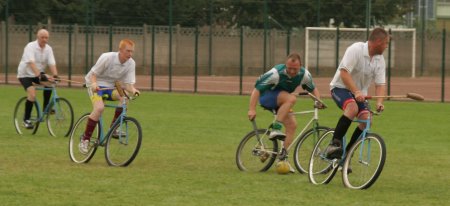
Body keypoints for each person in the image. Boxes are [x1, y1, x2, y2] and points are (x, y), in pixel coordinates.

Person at [248, 52, 323, 173]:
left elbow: (313, 89)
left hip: (282, 101)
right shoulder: (276, 73)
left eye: (295, 69)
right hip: (267, 97)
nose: (292, 71)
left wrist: (318, 101)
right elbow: (257, 89)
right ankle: (276, 128)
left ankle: (283, 158)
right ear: (285, 65)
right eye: (289, 68)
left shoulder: (304, 74)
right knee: (291, 98)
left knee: (292, 125)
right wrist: (252, 109)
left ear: (301, 66)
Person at [326, 28, 390, 160]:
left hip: (359, 94)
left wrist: (379, 102)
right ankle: (334, 143)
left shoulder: (380, 60)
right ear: (378, 42)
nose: (386, 46)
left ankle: (347, 154)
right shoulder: (356, 49)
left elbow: (380, 84)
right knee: (352, 107)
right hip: (340, 88)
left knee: (367, 120)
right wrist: (355, 91)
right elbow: (344, 73)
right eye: (386, 43)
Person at [79, 39, 140, 154]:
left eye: (132, 51)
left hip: (111, 87)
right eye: (128, 51)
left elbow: (128, 85)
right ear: (120, 50)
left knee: (124, 98)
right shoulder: (107, 57)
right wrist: (94, 84)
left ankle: (114, 128)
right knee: (99, 108)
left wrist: (134, 90)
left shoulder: (131, 63)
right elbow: (93, 74)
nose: (130, 54)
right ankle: (85, 140)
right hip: (96, 85)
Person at [17, 28, 59, 129]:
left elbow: (52, 63)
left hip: (38, 74)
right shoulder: (30, 46)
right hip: (25, 74)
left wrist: (55, 75)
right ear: (37, 37)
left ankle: (46, 107)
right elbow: (31, 63)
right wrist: (40, 75)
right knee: (32, 93)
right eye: (42, 37)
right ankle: (26, 120)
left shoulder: (49, 49)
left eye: (46, 37)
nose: (44, 39)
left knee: (49, 84)